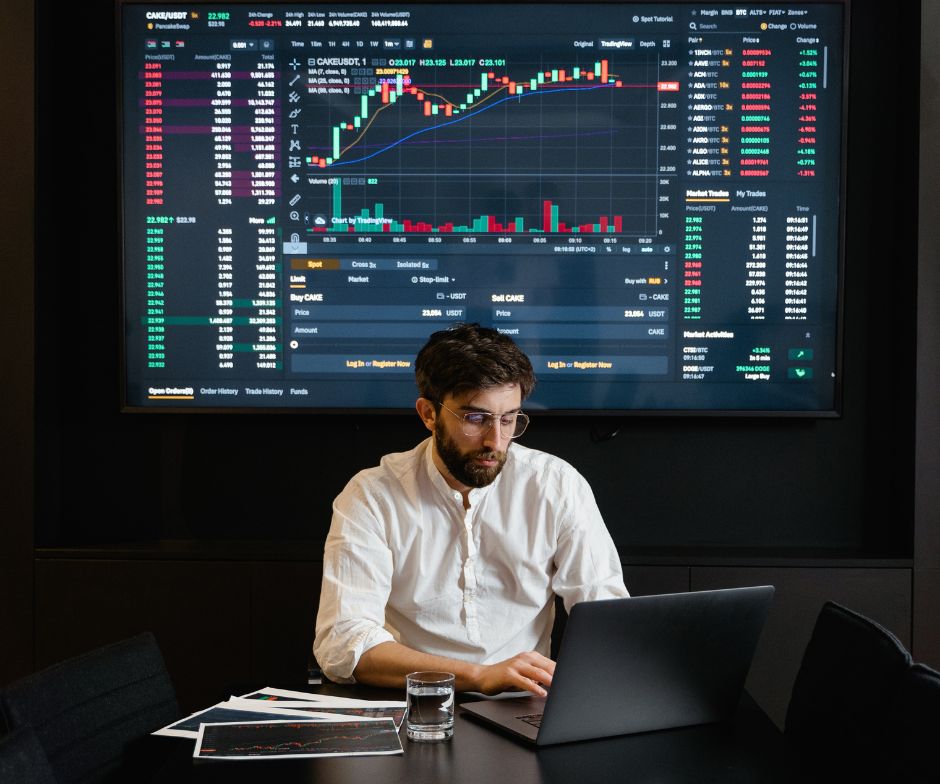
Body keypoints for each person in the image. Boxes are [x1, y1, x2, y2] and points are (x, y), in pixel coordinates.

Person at [313, 324, 627, 695]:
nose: (495, 441)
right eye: (475, 419)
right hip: (413, 705)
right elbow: (341, 645)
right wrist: (479, 675)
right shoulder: (372, 495)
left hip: (524, 705)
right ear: (429, 414)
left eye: (508, 419)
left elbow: (608, 621)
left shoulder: (556, 484)